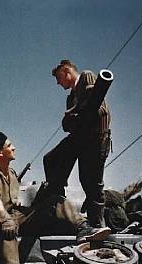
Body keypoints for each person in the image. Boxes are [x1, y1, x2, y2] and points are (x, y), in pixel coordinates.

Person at [0, 132, 111, 264]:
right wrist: (5, 218)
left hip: (16, 215)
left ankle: (83, 228)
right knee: (7, 228)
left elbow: (16, 201)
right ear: (0, 153)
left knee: (54, 201)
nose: (13, 147)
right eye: (9, 146)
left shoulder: (12, 173)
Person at [43, 59, 112, 228]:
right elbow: (67, 126)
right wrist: (73, 115)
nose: (58, 83)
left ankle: (97, 225)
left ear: (68, 71)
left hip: (97, 137)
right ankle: (57, 199)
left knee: (92, 181)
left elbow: (97, 107)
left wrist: (73, 113)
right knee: (51, 159)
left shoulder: (86, 78)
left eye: (59, 78)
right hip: (80, 138)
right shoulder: (71, 98)